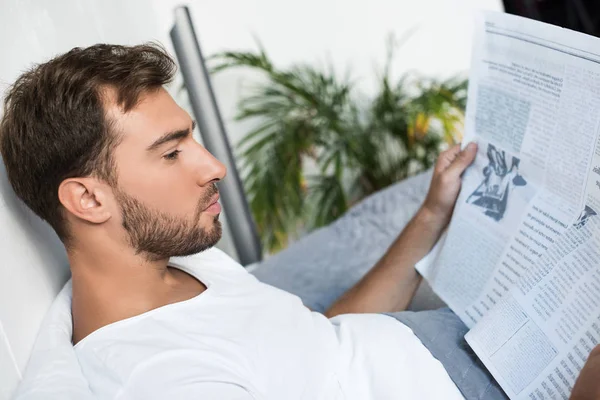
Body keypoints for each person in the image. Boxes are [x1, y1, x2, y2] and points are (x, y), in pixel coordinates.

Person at [0, 43, 597, 400]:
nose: (213, 167)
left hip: (450, 342)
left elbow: (317, 340)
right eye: (172, 150)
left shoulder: (181, 255)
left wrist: (432, 215)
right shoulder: (166, 378)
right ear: (87, 199)